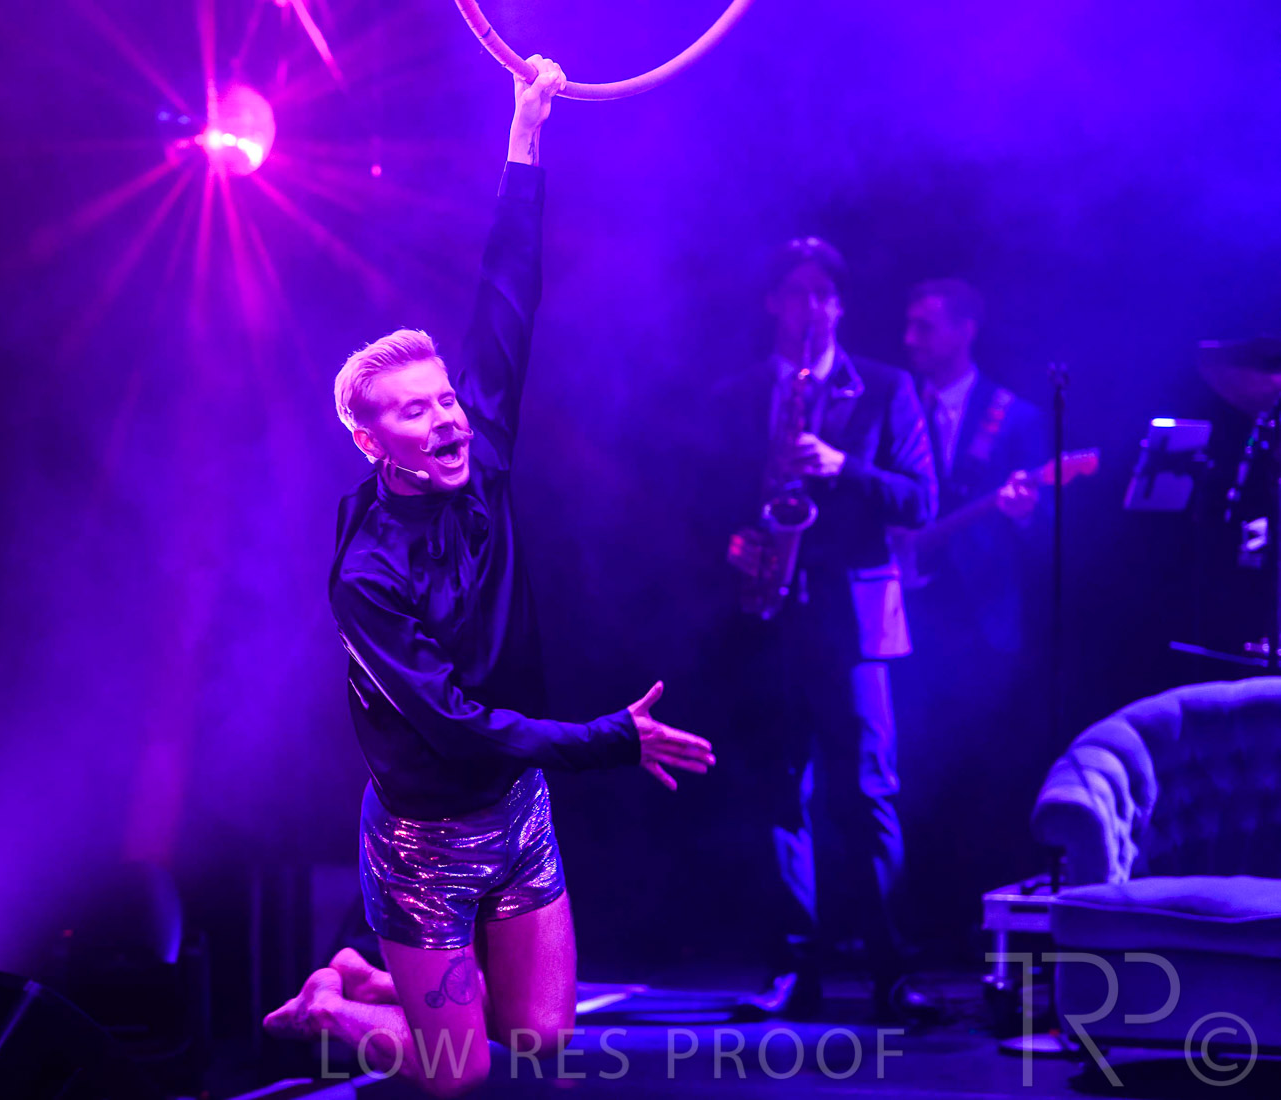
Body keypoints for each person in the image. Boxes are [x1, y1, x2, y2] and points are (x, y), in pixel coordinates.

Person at [262, 58, 715, 1097]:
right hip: (427, 837)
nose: (447, 419)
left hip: (518, 806)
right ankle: (334, 1004)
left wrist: (526, 129)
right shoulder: (367, 576)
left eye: (445, 399)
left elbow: (510, 291)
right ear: (372, 442)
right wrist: (611, 737)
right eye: (415, 411)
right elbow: (460, 728)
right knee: (456, 1074)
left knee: (540, 1040)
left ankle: (364, 979)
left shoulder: (485, 452)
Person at [702, 238, 941, 1023]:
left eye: (824, 294)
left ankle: (892, 971)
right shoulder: (737, 394)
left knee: (867, 792)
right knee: (779, 791)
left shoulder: (885, 386)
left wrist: (844, 466)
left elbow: (921, 500)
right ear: (773, 302)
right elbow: (697, 500)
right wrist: (731, 540)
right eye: (797, 292)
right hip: (768, 614)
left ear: (840, 306)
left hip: (855, 622)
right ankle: (792, 968)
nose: (811, 308)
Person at [898, 278, 1050, 947]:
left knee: (980, 769)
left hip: (981, 620)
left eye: (926, 327)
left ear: (966, 330)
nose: (911, 340)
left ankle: (976, 925)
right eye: (910, 325)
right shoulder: (897, 402)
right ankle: (909, 919)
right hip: (908, 613)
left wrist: (1023, 514)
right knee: (910, 766)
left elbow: (1046, 531)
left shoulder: (1014, 418)